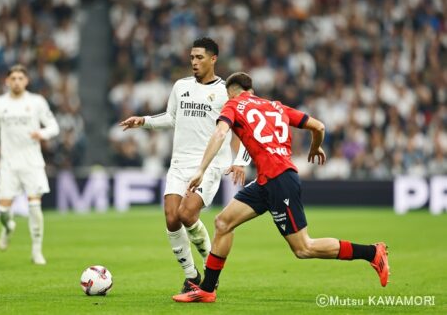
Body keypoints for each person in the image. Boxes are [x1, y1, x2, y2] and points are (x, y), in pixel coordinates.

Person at [173, 72, 389, 303]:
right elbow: (319, 127)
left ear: (230, 93)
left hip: (279, 181)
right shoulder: (276, 106)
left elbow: (219, 133)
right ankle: (207, 289)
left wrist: (201, 170)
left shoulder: (233, 105)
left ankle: (372, 252)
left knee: (303, 248)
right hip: (268, 180)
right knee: (223, 223)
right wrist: (315, 148)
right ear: (251, 91)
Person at [120, 38, 250, 292]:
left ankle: (210, 263)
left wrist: (241, 161)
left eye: (199, 57)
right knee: (171, 217)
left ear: (213, 59)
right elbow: (171, 117)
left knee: (187, 214)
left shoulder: (226, 91)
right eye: (191, 57)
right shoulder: (181, 86)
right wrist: (143, 121)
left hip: (210, 164)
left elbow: (246, 129)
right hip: (180, 161)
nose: (194, 62)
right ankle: (191, 276)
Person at [0, 64, 59, 265]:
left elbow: (53, 126)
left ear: (26, 81)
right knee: (3, 211)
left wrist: (41, 133)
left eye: (20, 78)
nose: (16, 82)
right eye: (13, 78)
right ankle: (8, 227)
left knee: (34, 205)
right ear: (7, 81)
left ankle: (36, 251)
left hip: (32, 162)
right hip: (8, 163)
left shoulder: (36, 102)